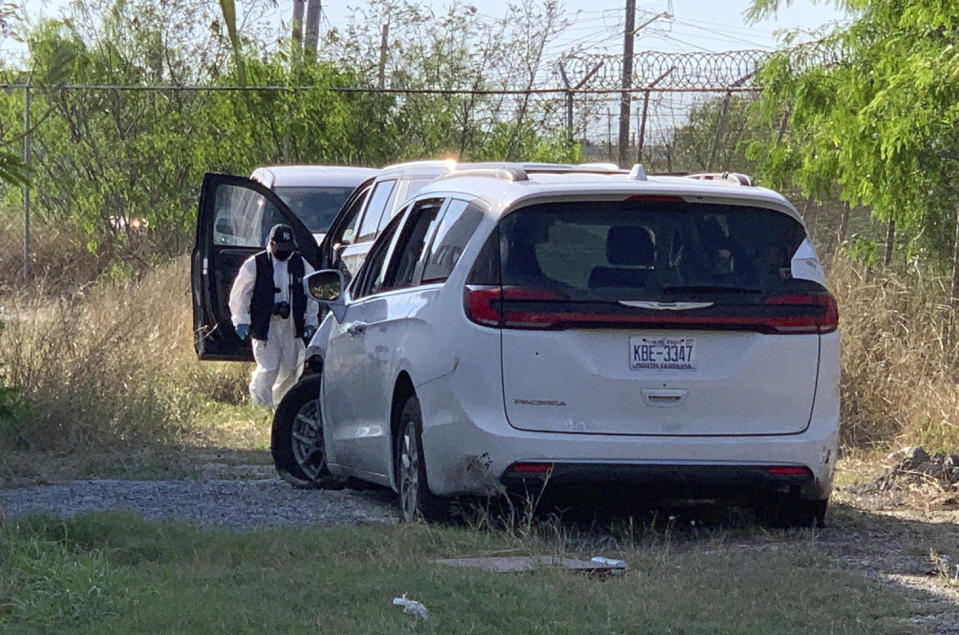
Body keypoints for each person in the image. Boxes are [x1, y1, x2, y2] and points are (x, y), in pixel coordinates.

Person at [228, 223, 318, 407]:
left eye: (288, 248)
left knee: (291, 369)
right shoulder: (256, 263)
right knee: (268, 367)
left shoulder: (300, 264)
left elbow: (312, 294)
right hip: (266, 325)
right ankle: (261, 405)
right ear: (272, 244)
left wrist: (311, 321)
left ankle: (281, 406)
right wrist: (241, 320)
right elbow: (239, 295)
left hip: (291, 325)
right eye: (281, 247)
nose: (284, 252)